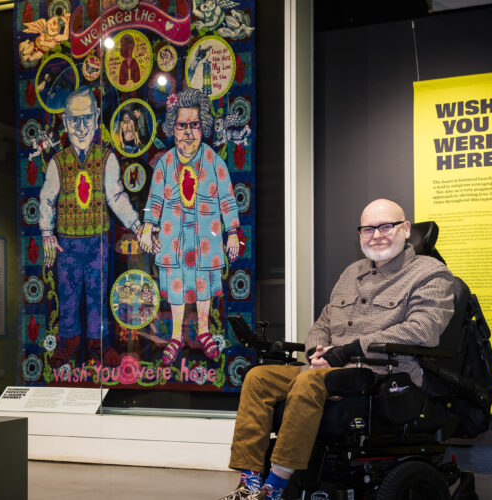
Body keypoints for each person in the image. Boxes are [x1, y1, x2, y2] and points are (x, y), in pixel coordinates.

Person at [218, 199, 456, 500]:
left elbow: (425, 329)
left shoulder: (430, 273)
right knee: (258, 378)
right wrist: (316, 352)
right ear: (360, 235)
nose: (377, 235)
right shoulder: (350, 273)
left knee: (307, 382)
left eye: (386, 226)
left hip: (382, 374)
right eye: (368, 229)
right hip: (329, 370)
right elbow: (325, 321)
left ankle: (275, 487)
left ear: (406, 229)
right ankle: (249, 482)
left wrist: (345, 352)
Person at [39, 86, 142, 368]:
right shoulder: (57, 163)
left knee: (97, 296)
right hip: (67, 245)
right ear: (65, 120)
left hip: (97, 243)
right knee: (69, 295)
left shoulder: (106, 158)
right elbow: (46, 199)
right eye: (75, 120)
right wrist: (47, 233)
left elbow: (117, 196)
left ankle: (99, 344)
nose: (81, 126)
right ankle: (68, 342)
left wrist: (136, 224)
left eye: (87, 118)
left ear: (96, 118)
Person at [139, 87, 241, 365]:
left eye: (194, 125)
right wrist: (148, 226)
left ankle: (205, 331)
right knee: (176, 286)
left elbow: (228, 199)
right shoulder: (165, 164)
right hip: (174, 238)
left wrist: (232, 233)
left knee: (204, 285)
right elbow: (153, 200)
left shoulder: (213, 161)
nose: (188, 132)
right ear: (173, 128)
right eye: (182, 125)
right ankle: (176, 336)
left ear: (202, 126)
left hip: (204, 238)